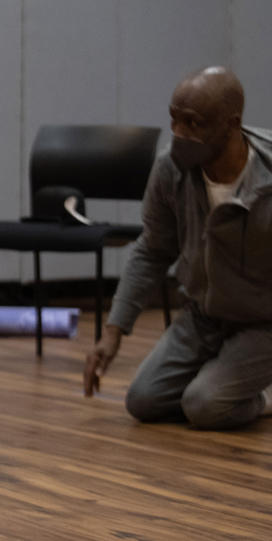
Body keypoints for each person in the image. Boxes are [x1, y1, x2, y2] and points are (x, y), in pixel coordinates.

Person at [84, 66, 272, 430]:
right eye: (173, 119)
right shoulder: (170, 169)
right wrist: (113, 332)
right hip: (203, 317)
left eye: (193, 123)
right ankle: (227, 375)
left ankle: (263, 395)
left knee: (204, 405)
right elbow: (152, 251)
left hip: (265, 323)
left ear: (231, 125)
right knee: (143, 401)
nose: (178, 133)